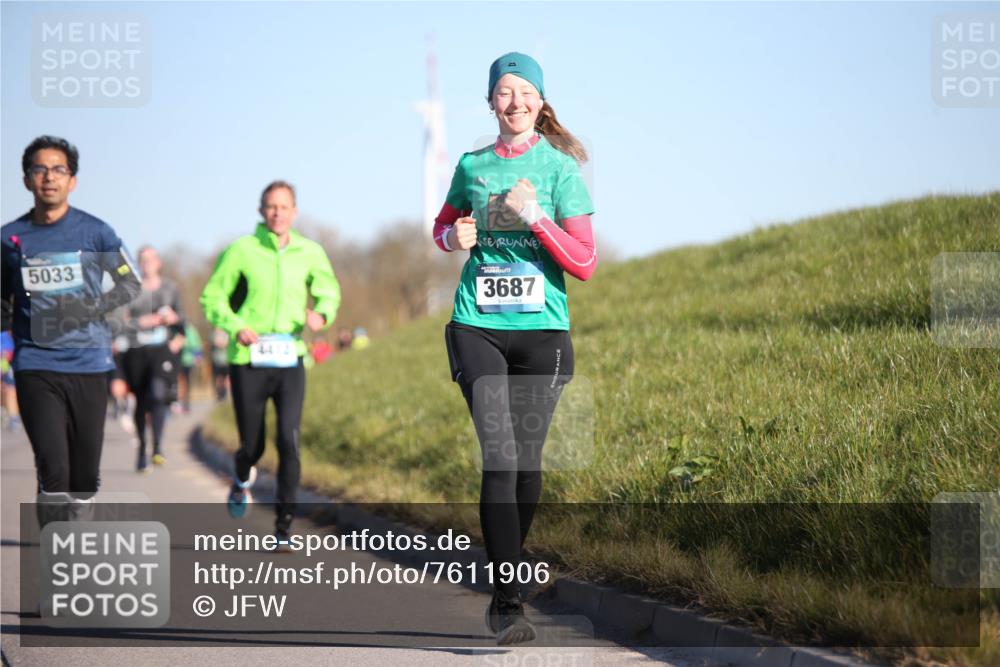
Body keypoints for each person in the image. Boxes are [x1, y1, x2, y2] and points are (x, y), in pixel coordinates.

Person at [433, 53, 597, 645]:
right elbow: (440, 224)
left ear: (540, 102)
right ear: (490, 102)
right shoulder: (472, 165)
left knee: (527, 465)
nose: (515, 101)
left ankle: (509, 563)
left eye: (525, 91)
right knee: (499, 458)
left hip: (543, 334)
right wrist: (451, 236)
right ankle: (507, 602)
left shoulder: (560, 170)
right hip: (476, 326)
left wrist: (536, 219)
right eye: (504, 92)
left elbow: (584, 263)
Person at [0, 135, 142, 514]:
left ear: (72, 181)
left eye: (59, 169)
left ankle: (79, 514)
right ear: (27, 179)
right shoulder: (9, 239)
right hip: (35, 365)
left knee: (83, 477)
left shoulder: (96, 233)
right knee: (54, 469)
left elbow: (130, 283)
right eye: (40, 169)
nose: (49, 176)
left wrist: (90, 308)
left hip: (89, 363)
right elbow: (1, 302)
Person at [200, 180, 340, 543]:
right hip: (249, 357)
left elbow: (328, 292)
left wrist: (321, 316)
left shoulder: (310, 251)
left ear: (295, 212)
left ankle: (284, 527)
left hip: (290, 356)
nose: (277, 212)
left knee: (289, 440)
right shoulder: (241, 251)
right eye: (270, 206)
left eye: (284, 206)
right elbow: (212, 298)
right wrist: (236, 326)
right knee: (253, 444)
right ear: (261, 211)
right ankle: (241, 477)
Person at [114, 246, 185, 471]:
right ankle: (142, 447)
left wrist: (174, 324)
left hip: (161, 349)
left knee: (158, 393)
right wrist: (143, 322)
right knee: (141, 401)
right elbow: (119, 321)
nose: (147, 264)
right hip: (136, 350)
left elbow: (183, 319)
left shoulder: (170, 288)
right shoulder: (130, 289)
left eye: (151, 259)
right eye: (143, 260)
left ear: (159, 262)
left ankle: (157, 447)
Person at [178, 322, 203, 412]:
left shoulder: (190, 330)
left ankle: (185, 403)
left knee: (185, 382)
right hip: (177, 361)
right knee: (179, 382)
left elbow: (196, 345)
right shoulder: (175, 328)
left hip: (187, 361)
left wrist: (198, 357)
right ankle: (179, 402)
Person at [1, 330, 20, 430]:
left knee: (11, 391)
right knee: (10, 390)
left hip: (18, 363)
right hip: (7, 365)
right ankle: (13, 418)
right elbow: (3, 356)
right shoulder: (3, 335)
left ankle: (14, 417)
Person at [210, 328, 230, 401]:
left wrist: (222, 343)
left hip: (226, 360)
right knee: (218, 378)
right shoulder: (214, 333)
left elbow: (227, 343)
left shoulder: (227, 333)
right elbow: (214, 342)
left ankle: (226, 394)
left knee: (226, 379)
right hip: (217, 361)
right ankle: (219, 393)